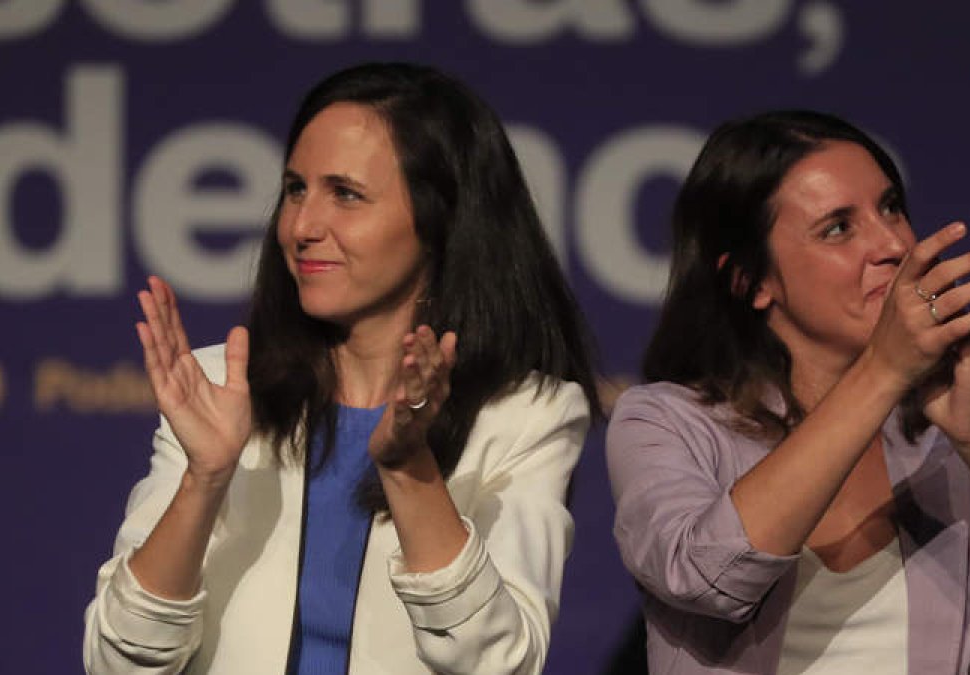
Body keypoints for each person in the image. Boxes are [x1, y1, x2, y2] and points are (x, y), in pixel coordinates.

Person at [84, 62, 598, 675]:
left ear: (439, 221)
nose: (303, 226)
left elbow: (498, 664)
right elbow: (118, 661)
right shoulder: (223, 387)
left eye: (346, 194)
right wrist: (205, 476)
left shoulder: (525, 415)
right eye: (296, 189)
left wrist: (410, 471)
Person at [606, 110, 970, 674]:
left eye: (891, 207)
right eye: (838, 228)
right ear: (751, 281)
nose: (892, 244)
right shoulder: (666, 422)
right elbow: (706, 580)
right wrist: (884, 372)